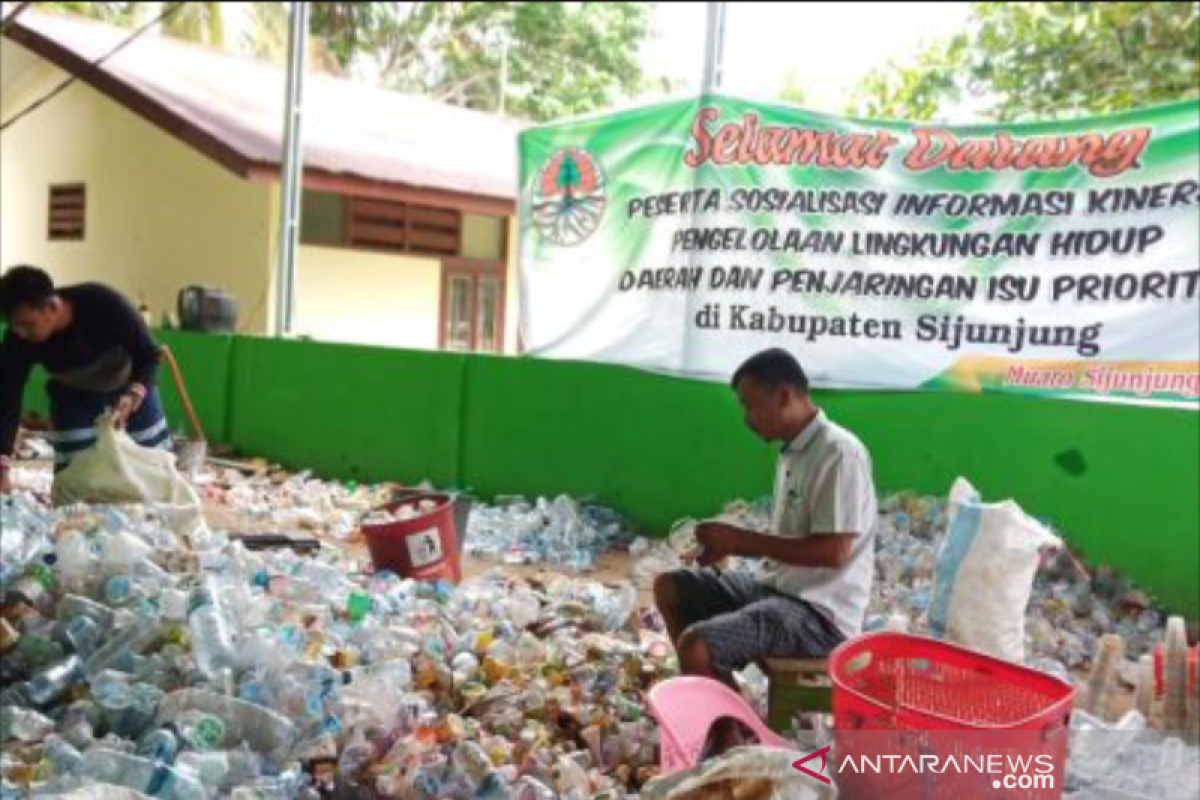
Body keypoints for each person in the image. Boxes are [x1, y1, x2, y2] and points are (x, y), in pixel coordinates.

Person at [655, 347, 878, 687]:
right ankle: (727, 712)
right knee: (669, 587)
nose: (747, 419)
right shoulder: (792, 452)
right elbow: (790, 540)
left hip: (818, 616)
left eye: (751, 405)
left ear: (784, 395)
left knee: (696, 646)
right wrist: (730, 544)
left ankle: (727, 732)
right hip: (775, 590)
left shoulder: (838, 453)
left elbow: (833, 552)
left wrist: (740, 541)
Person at [0, 265, 169, 492]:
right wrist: (3, 465)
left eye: (28, 324)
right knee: (75, 478)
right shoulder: (18, 339)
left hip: (128, 384)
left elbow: (148, 353)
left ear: (51, 307)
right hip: (73, 395)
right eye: (15, 325)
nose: (21, 333)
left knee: (155, 466)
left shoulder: (102, 303)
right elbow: (7, 402)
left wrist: (135, 392)